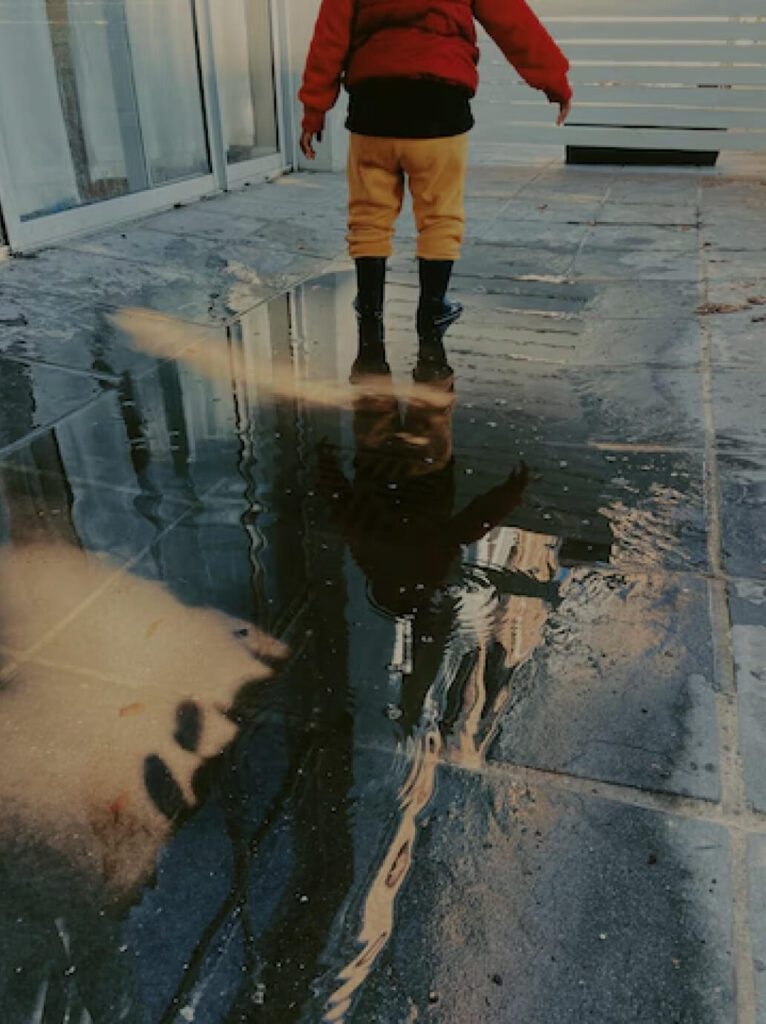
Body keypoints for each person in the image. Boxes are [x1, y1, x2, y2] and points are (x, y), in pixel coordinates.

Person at [298, 0, 573, 381]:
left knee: (369, 214)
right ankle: (431, 308)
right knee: (440, 215)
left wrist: (314, 110)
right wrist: (553, 80)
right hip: (441, 102)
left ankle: (371, 307)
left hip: (374, 103)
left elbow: (330, 37)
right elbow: (513, 22)